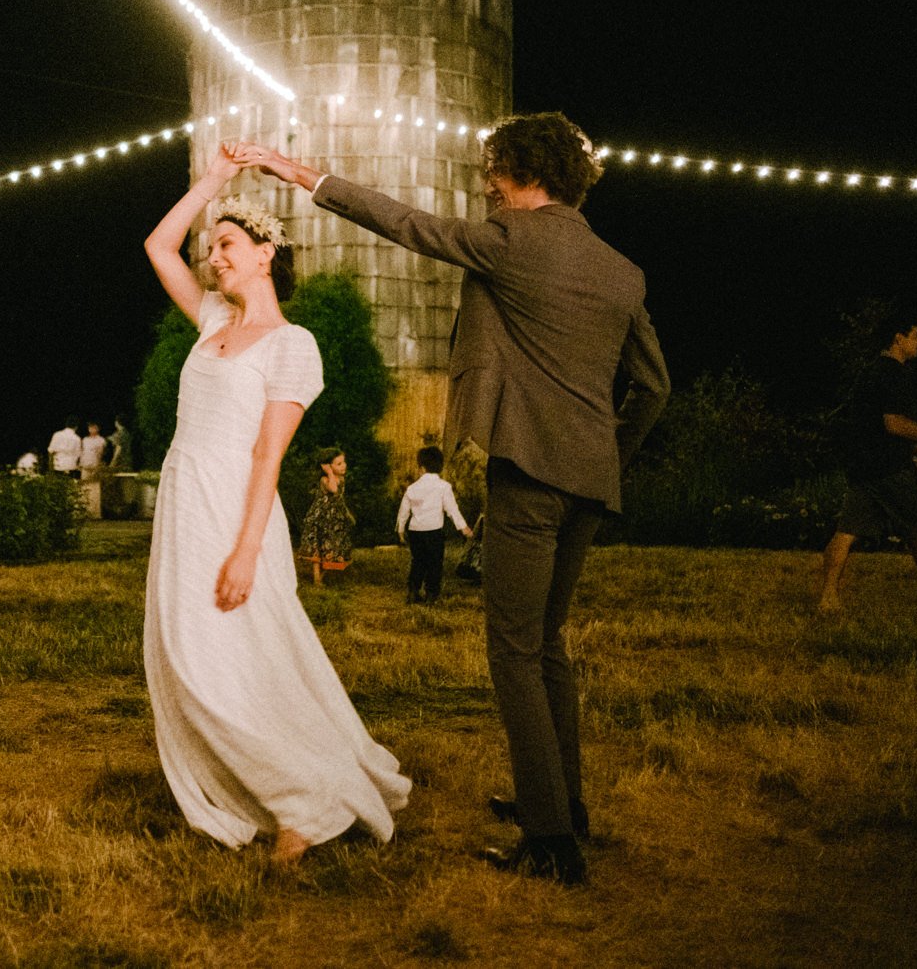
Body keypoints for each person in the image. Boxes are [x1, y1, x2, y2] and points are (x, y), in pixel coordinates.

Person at [232, 111, 669, 885]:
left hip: (530, 477)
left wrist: (297, 173)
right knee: (550, 645)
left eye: (494, 171)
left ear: (523, 171)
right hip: (591, 482)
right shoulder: (623, 270)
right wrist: (606, 453)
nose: (486, 184)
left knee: (513, 650)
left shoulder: (509, 240)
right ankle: (566, 806)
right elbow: (654, 388)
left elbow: (404, 223)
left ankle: (551, 843)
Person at [141, 145, 412, 867]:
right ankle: (277, 787)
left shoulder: (293, 345)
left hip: (236, 511)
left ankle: (307, 801)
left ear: (266, 254)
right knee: (188, 653)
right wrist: (214, 184)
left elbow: (268, 454)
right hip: (183, 503)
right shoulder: (208, 323)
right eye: (212, 248)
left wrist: (247, 548)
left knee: (223, 659)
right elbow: (156, 244)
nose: (212, 256)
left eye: (226, 243)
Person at [817, 313, 917, 610]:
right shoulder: (894, 374)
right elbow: (893, 424)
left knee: (846, 532)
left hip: (864, 468)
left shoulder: (869, 372)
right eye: (915, 336)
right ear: (898, 338)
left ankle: (827, 597)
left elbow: (871, 427)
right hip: (889, 470)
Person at [398, 445, 473, 604]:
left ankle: (413, 591)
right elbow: (452, 510)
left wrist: (400, 529)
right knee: (434, 563)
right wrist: (463, 527)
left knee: (418, 561)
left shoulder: (412, 488)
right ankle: (431, 594)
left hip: (415, 531)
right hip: (433, 532)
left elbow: (404, 510)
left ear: (422, 468)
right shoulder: (444, 487)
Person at [297, 446, 356, 586]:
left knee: (332, 544)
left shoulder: (341, 478)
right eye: (339, 464)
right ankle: (317, 578)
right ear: (328, 466)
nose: (344, 466)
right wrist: (329, 472)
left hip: (334, 518)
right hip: (321, 517)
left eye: (344, 462)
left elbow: (339, 498)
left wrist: (347, 513)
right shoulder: (325, 479)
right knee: (318, 545)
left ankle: (324, 573)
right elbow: (334, 489)